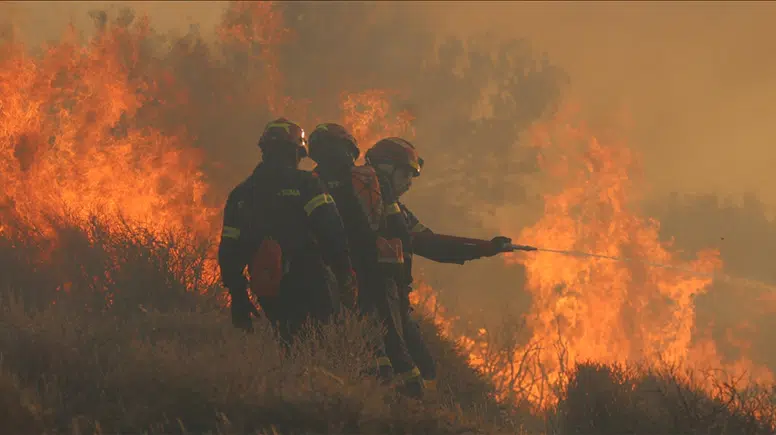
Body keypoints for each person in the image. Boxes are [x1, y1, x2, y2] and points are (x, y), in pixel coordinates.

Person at [364, 137, 514, 393]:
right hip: (375, 305)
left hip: (392, 303)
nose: (409, 184)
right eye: (406, 175)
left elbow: (431, 243)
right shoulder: (371, 208)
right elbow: (432, 246)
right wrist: (486, 248)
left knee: (419, 372)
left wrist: (486, 248)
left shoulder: (396, 211)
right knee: (407, 375)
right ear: (388, 169)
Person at [217, 118, 358, 345]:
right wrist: (344, 276)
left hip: (268, 286)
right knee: (323, 344)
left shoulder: (240, 194)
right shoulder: (307, 184)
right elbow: (331, 231)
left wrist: (238, 295)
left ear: (264, 151)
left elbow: (229, 250)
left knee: (289, 342)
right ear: (297, 152)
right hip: (311, 282)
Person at [307, 123, 423, 396]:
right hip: (376, 273)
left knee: (360, 337)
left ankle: (375, 392)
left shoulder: (309, 182)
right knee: (392, 341)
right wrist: (403, 279)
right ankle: (412, 401)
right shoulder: (371, 181)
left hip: (336, 272)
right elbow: (400, 232)